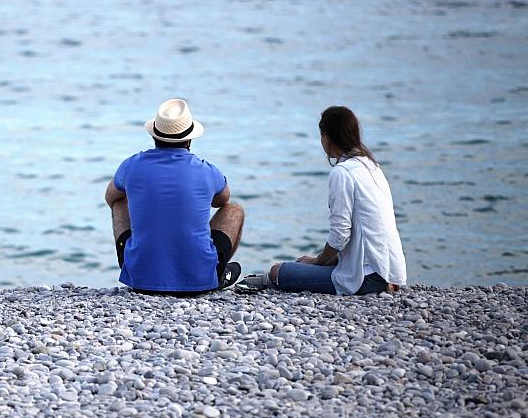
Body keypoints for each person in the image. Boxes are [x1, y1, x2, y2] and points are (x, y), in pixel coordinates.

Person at [238, 106, 406, 295]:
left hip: (366, 278)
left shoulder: (342, 173)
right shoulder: (372, 167)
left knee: (278, 271)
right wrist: (321, 261)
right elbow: (362, 235)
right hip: (390, 272)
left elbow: (340, 236)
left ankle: (264, 281)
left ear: (326, 138)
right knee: (305, 265)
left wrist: (318, 261)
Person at [105, 98, 244, 296]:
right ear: (189, 139)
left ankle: (140, 263)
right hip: (200, 282)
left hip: (140, 280)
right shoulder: (207, 170)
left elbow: (110, 198)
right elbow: (222, 201)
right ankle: (217, 273)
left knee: (120, 201)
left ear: (154, 135)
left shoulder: (131, 165)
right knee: (234, 210)